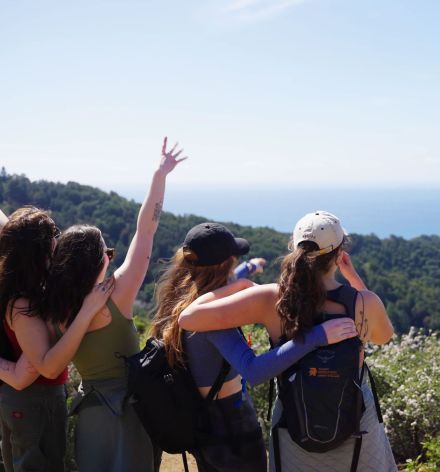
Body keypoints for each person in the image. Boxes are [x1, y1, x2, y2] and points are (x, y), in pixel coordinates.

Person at [179, 211, 398, 472]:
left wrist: (239, 284)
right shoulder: (364, 302)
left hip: (295, 427)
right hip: (358, 430)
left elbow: (188, 317)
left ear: (295, 249)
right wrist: (353, 279)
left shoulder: (273, 299)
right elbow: (383, 336)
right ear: (340, 253)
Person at [151, 222, 358, 472]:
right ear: (226, 264)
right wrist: (316, 336)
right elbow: (254, 371)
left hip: (205, 422)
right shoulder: (214, 320)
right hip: (230, 426)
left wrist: (247, 270)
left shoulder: (183, 297)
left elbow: (221, 288)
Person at [38, 138, 185, 472]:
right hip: (130, 411)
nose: (110, 255)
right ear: (97, 261)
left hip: (89, 411)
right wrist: (160, 175)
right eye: (106, 251)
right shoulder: (118, 293)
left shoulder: (53, 305)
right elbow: (146, 230)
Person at [0, 206, 112, 472]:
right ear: (39, 247)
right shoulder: (23, 303)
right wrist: (86, 312)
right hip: (34, 400)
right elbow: (47, 366)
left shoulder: (29, 288)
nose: (58, 239)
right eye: (53, 233)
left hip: (28, 399)